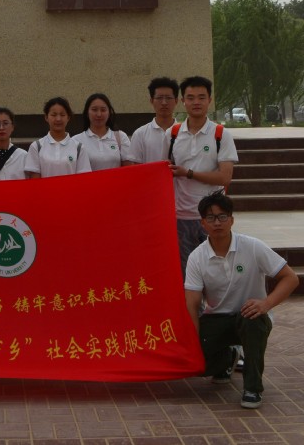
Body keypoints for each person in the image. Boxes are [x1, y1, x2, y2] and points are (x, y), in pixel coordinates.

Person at [185, 191, 298, 409]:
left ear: (232, 220)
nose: (217, 222)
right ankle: (228, 357)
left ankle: (252, 388)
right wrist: (194, 343)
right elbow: (192, 304)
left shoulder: (252, 246)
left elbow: (290, 278)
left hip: (252, 316)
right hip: (217, 319)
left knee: (252, 321)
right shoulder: (197, 257)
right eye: (211, 217)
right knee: (197, 364)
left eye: (222, 216)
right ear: (202, 223)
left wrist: (265, 304)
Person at [163, 76, 238, 276]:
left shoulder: (221, 134)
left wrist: (188, 173)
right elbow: (164, 172)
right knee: (186, 272)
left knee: (217, 271)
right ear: (182, 101)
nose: (196, 102)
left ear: (209, 100)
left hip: (213, 217)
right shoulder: (172, 134)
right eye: (191, 97)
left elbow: (225, 178)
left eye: (201, 97)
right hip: (181, 216)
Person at [25, 96, 91, 178]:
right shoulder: (37, 146)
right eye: (53, 115)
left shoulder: (79, 148)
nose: (58, 119)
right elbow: (35, 180)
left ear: (68, 117)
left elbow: (83, 179)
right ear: (46, 117)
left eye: (62, 115)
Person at [127, 77, 179, 164]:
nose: (164, 103)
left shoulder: (185, 132)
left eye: (168, 98)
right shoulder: (140, 134)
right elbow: (136, 166)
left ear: (176, 101)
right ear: (151, 101)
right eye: (159, 98)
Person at [73, 93, 131, 170]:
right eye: (94, 110)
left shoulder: (121, 137)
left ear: (109, 113)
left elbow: (129, 169)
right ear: (87, 112)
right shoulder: (76, 141)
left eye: (103, 110)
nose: (99, 114)